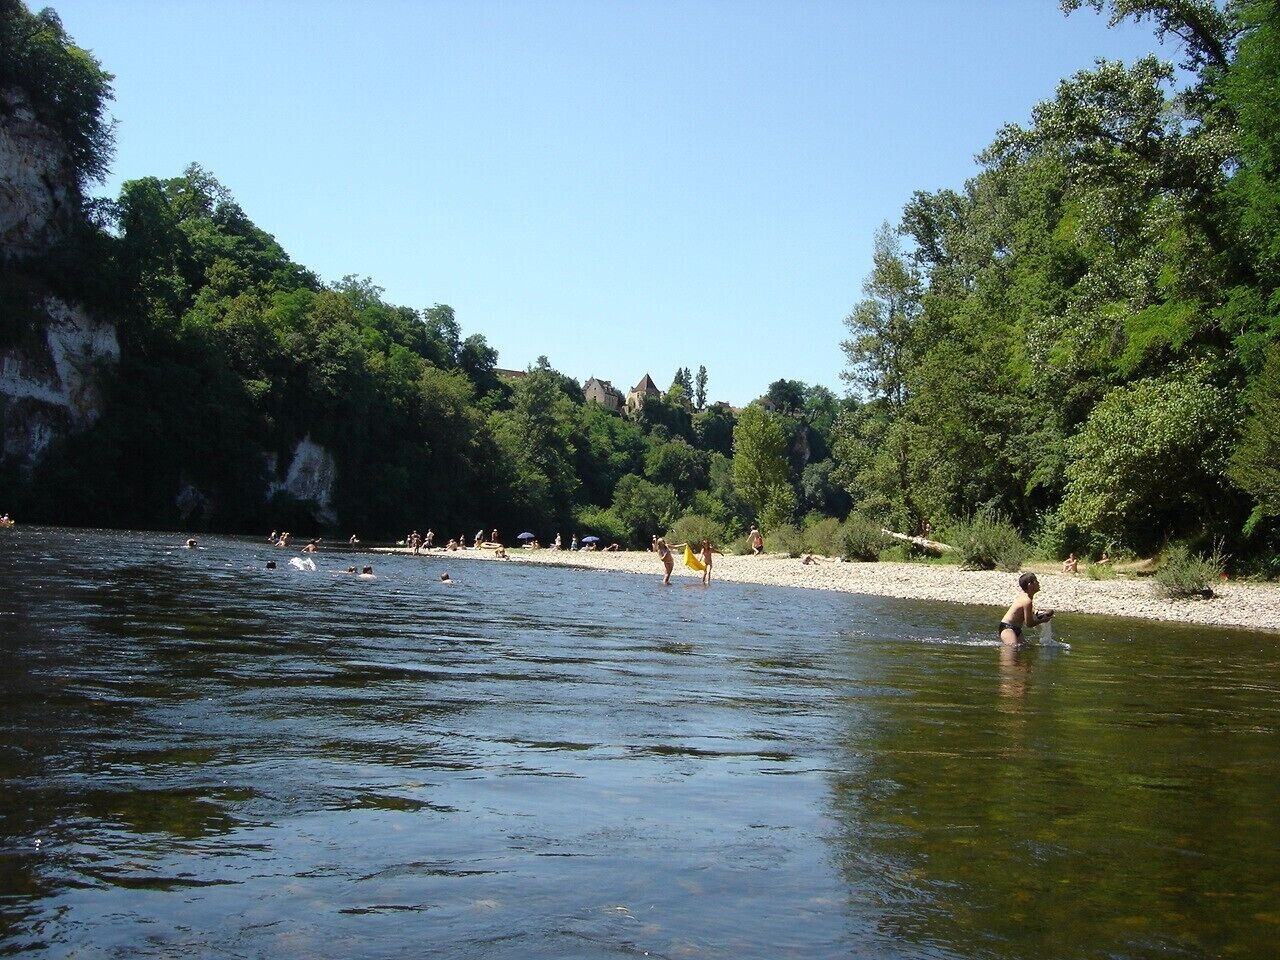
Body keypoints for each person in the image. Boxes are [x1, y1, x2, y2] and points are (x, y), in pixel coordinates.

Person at [1000, 572, 1053, 644]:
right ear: (1030, 585)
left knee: (1024, 648)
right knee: (1013, 649)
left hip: (1016, 629)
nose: (1038, 583)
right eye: (1036, 581)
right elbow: (1029, 624)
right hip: (1008, 629)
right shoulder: (1027, 601)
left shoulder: (1027, 598)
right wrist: (1043, 620)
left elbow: (1030, 612)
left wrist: (1041, 613)